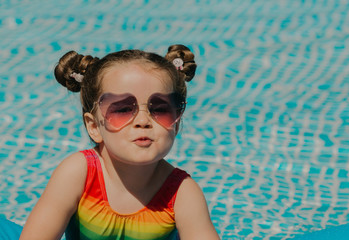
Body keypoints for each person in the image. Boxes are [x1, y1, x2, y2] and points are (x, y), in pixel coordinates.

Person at [20, 44, 220, 240]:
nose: (143, 121)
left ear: (176, 124)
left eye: (159, 109)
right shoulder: (78, 174)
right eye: (123, 109)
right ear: (94, 127)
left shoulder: (182, 193)